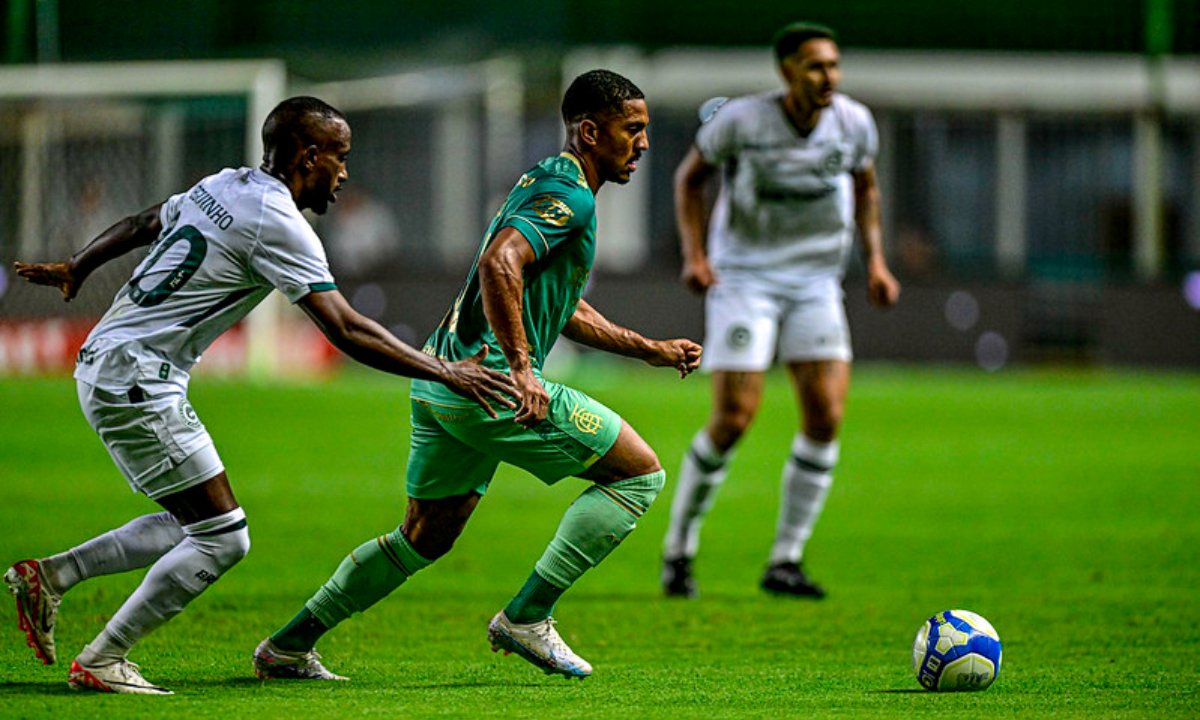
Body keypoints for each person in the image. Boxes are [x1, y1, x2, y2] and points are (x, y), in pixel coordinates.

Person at [5, 96, 516, 695]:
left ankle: (52, 577)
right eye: (340, 157)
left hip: (109, 363)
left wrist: (79, 264)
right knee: (224, 536)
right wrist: (446, 372)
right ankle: (104, 657)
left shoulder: (224, 185)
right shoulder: (278, 222)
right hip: (139, 379)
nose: (345, 172)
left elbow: (150, 220)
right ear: (308, 155)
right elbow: (346, 328)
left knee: (192, 520)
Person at [253, 70, 702, 681]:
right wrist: (522, 367)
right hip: (490, 386)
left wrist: (645, 348)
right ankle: (528, 616)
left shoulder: (547, 182)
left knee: (422, 537)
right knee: (639, 476)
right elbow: (501, 262)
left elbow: (558, 301)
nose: (643, 143)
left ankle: (288, 645)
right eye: (634, 129)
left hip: (442, 380)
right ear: (592, 131)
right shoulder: (570, 196)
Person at [660, 23, 901, 600]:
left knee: (825, 415)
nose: (829, 78)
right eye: (816, 66)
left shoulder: (854, 122)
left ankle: (786, 560)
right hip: (745, 278)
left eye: (834, 66)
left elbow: (866, 189)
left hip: (816, 280)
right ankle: (679, 549)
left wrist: (876, 262)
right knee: (735, 417)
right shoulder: (741, 121)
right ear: (787, 70)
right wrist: (695, 255)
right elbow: (689, 180)